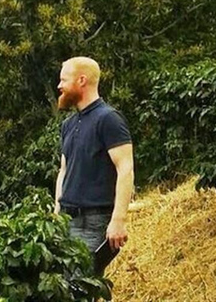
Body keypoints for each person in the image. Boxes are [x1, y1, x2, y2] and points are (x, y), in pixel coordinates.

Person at [54, 56, 134, 276]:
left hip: (95, 221)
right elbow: (64, 171)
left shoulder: (109, 119)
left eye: (63, 80)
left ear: (81, 81)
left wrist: (118, 220)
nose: (59, 86)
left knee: (78, 286)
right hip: (68, 219)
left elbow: (125, 169)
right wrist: (56, 213)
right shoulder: (68, 124)